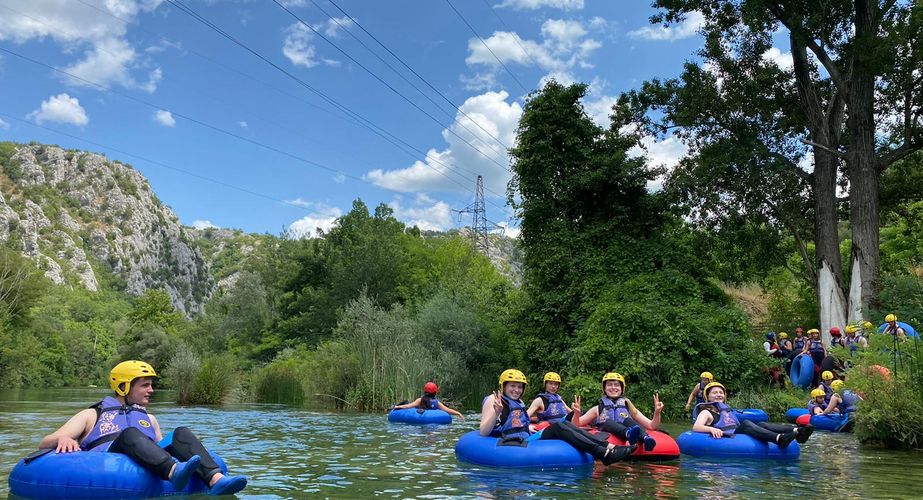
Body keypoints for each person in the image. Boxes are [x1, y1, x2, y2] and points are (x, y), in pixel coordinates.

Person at [38, 361, 247, 496]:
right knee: (129, 434)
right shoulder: (92, 415)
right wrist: (64, 440)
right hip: (106, 463)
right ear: (123, 387)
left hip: (148, 465)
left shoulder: (150, 419)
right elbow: (45, 442)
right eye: (144, 385)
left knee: (181, 432)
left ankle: (215, 479)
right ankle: (173, 472)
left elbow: (159, 448)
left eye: (151, 385)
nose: (151, 390)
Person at [480, 369, 636, 466]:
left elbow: (517, 422)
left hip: (527, 438)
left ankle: (609, 448)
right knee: (559, 427)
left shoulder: (519, 402)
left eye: (519, 386)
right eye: (512, 386)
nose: (516, 390)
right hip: (513, 443)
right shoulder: (494, 400)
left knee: (567, 425)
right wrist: (496, 412)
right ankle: (602, 453)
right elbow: (484, 432)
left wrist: (528, 426)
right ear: (504, 386)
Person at [692, 382, 813, 448]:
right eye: (715, 393)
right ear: (707, 397)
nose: (719, 395)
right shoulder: (706, 412)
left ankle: (798, 430)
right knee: (746, 424)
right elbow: (696, 427)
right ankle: (779, 439)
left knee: (760, 424)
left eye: (721, 392)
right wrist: (711, 428)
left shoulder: (725, 411)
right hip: (727, 437)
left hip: (734, 434)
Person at [576, 372, 663, 452]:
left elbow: (652, 426)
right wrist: (576, 413)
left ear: (622, 388)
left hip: (629, 430)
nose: (613, 387)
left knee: (629, 421)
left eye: (617, 385)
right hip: (607, 430)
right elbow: (577, 424)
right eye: (609, 385)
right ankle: (628, 434)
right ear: (604, 389)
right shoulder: (597, 409)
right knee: (608, 422)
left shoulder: (629, 408)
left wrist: (657, 413)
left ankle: (645, 438)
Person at [391, 382, 464, 420]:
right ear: (435, 392)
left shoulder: (419, 400)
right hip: (431, 419)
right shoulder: (437, 403)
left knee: (406, 401)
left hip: (419, 415)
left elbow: (408, 406)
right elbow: (448, 410)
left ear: (424, 391)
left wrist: (397, 406)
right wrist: (458, 413)